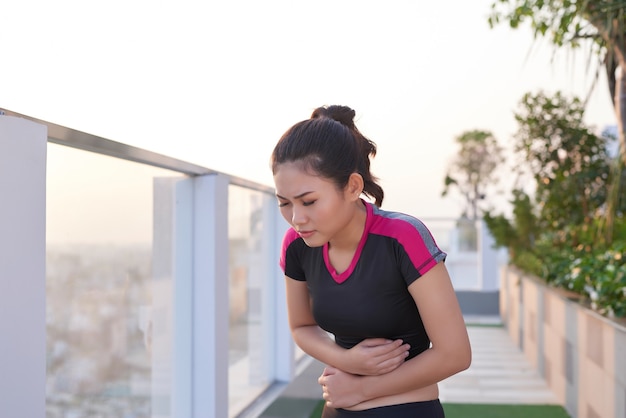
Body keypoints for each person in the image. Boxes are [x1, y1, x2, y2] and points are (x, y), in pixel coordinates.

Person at [271, 105, 471, 418]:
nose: (297, 218)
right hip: (338, 409)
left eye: (309, 202)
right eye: (284, 203)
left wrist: (362, 388)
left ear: (352, 187)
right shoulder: (297, 245)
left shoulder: (404, 237)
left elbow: (455, 354)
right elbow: (301, 326)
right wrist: (347, 361)